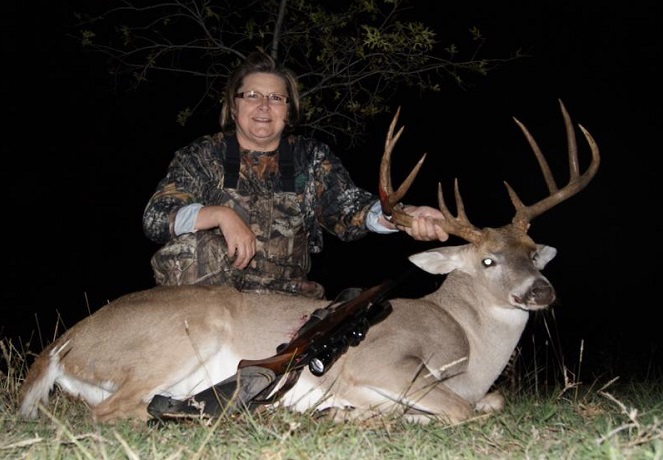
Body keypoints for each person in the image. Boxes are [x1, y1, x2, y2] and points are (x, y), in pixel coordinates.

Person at [142, 50, 448, 300]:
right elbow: (157, 216)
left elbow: (349, 208)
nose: (264, 106)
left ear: (288, 111)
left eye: (276, 98)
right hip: (217, 299)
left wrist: (403, 215)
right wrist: (220, 214)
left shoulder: (310, 157)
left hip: (288, 298)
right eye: (252, 95)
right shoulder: (203, 155)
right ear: (233, 107)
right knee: (189, 251)